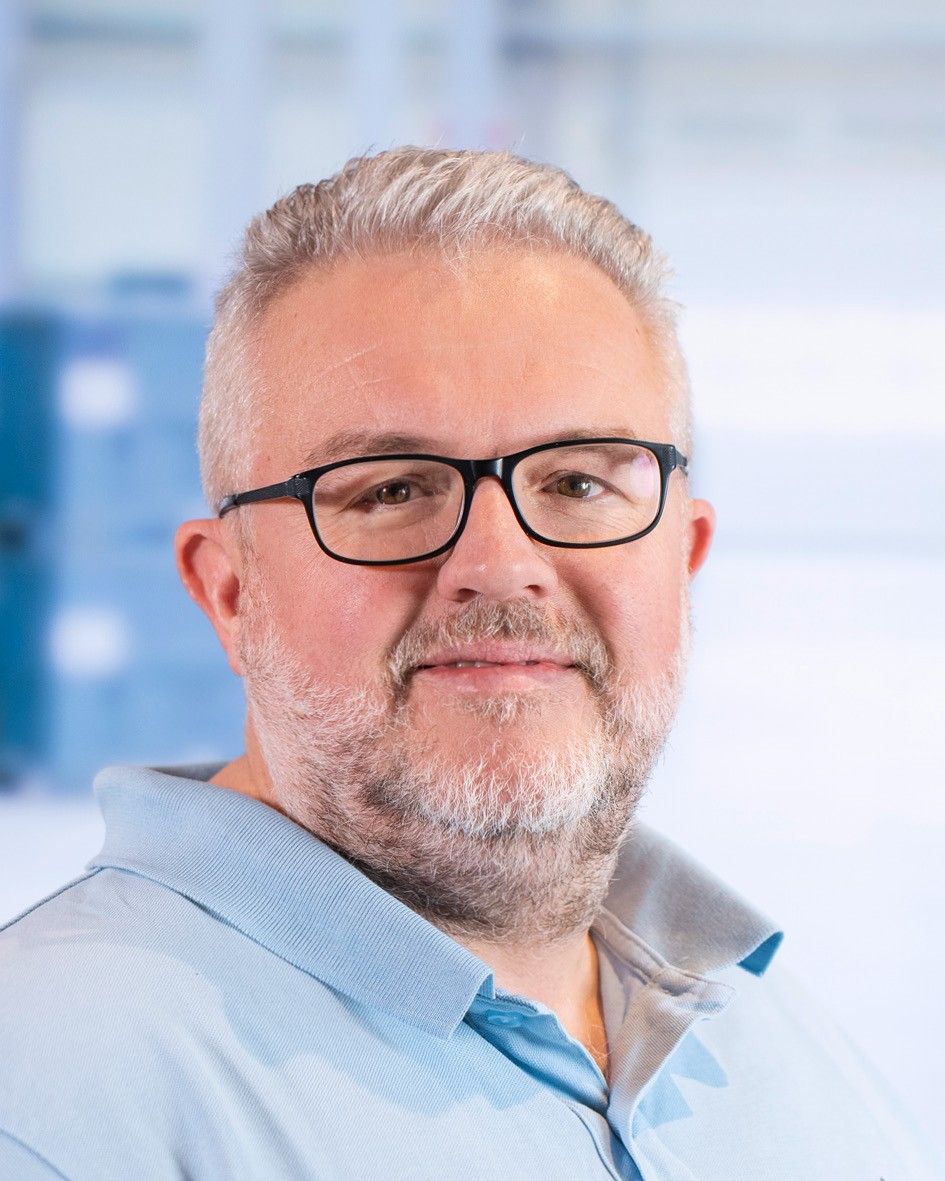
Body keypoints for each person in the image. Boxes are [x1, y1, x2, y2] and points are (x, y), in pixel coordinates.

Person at [0, 148, 938, 1181]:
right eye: (391, 487)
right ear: (229, 591)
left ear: (685, 558)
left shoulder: (772, 1031)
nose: (501, 566)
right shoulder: (49, 1101)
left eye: (580, 481)